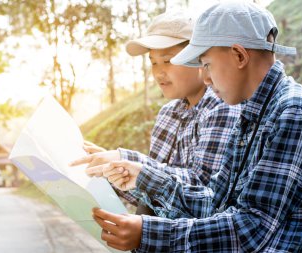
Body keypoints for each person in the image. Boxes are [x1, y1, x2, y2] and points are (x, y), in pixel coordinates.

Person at [89, 2, 302, 252]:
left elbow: (253, 228)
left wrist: (150, 234)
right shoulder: (251, 115)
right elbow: (216, 202)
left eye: (206, 64)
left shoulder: (293, 111)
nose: (206, 78)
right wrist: (146, 177)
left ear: (240, 56)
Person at [70, 11, 240, 215]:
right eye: (153, 62)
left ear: (199, 58)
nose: (159, 72)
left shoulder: (221, 107)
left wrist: (127, 158)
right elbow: (153, 193)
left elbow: (203, 189)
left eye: (168, 60)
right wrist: (113, 171)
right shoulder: (168, 114)